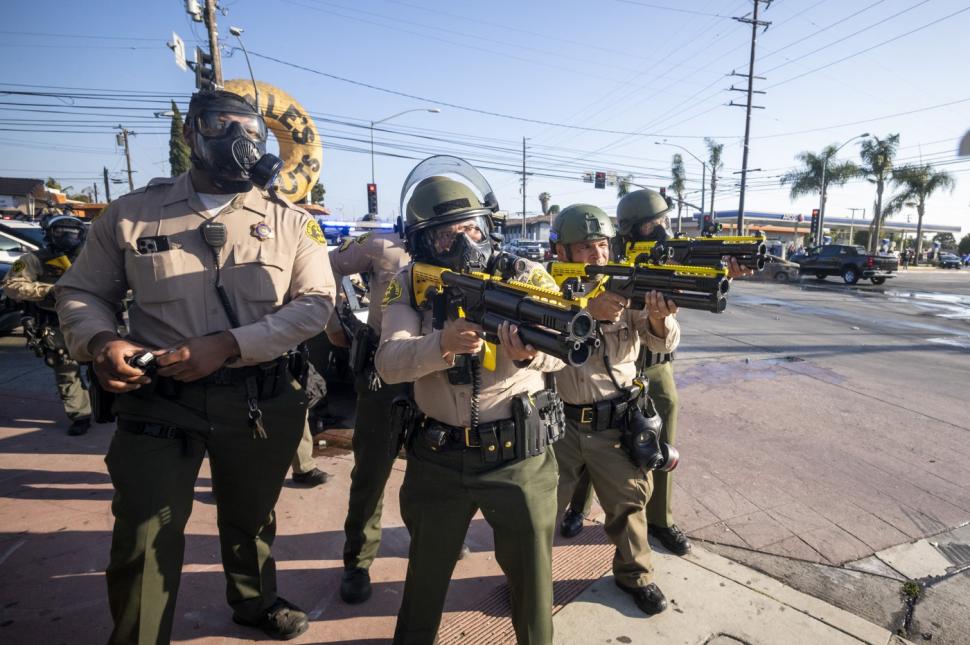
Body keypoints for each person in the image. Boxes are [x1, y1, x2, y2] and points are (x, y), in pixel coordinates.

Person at [54, 89, 336, 643]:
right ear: (190, 135)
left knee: (251, 517)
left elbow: (316, 304)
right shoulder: (131, 214)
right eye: (220, 125)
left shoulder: (290, 221)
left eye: (251, 132)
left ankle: (255, 603)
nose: (238, 141)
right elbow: (81, 292)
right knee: (143, 530)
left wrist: (230, 343)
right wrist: (100, 340)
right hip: (160, 397)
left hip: (257, 396)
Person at [375, 157, 566, 645]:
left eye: (473, 229)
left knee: (533, 580)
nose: (465, 244)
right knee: (425, 576)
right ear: (420, 242)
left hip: (519, 458)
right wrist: (441, 344)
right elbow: (389, 362)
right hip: (438, 457)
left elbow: (564, 355)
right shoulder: (407, 284)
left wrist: (528, 358)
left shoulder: (527, 274)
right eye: (446, 235)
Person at [549, 203, 678, 615]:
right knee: (541, 508)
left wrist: (658, 319)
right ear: (561, 253)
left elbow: (661, 344)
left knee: (628, 505)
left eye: (602, 245)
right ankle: (529, 576)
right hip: (561, 426)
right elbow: (536, 336)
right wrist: (587, 312)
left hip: (615, 423)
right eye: (585, 247)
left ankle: (634, 576)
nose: (597, 256)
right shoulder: (544, 286)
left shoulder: (626, 283)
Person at [323, 230, 410, 603]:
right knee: (372, 471)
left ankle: (431, 537)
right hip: (382, 374)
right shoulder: (381, 246)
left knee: (435, 469)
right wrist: (334, 321)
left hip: (438, 374)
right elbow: (324, 264)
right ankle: (358, 560)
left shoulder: (470, 249)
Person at [2, 214, 93, 435]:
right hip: (54, 322)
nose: (68, 237)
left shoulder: (92, 256)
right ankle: (80, 415)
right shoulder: (34, 259)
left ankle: (107, 406)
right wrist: (49, 291)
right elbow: (12, 285)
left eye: (73, 232)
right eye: (60, 232)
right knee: (65, 370)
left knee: (104, 366)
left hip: (91, 320)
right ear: (50, 234)